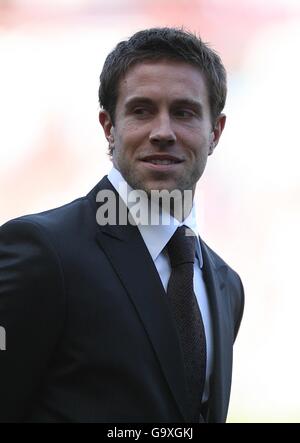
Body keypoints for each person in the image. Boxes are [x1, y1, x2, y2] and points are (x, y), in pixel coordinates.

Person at [0, 27, 244, 423]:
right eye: (142, 110)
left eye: (183, 112)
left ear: (215, 131)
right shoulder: (43, 253)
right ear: (109, 127)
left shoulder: (226, 285)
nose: (162, 132)